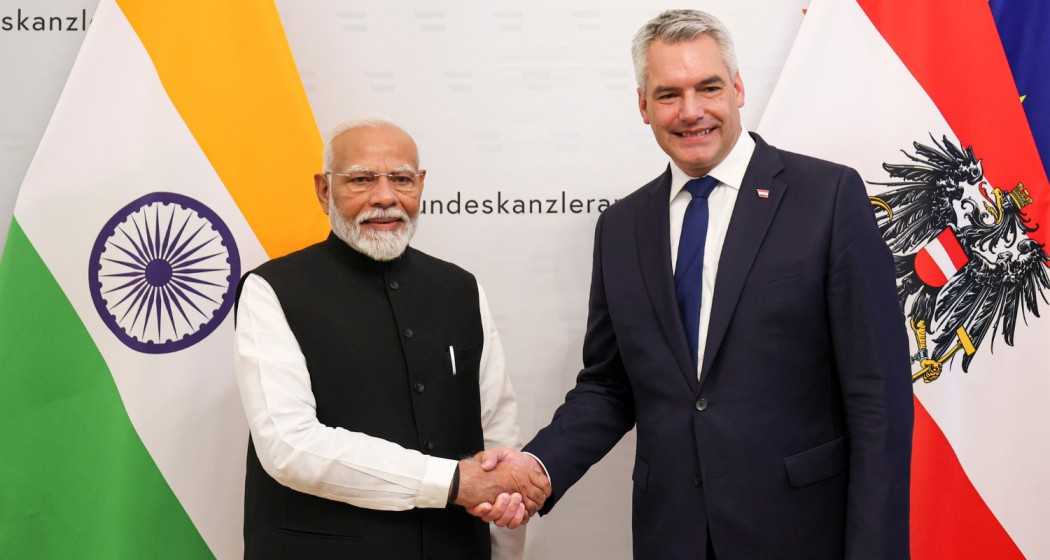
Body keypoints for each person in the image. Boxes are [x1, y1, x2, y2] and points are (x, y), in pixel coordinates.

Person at [477, 9, 913, 559]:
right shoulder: (621, 227)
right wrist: (537, 468)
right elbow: (610, 386)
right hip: (672, 536)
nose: (691, 112)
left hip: (802, 534)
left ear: (736, 88)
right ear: (642, 105)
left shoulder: (826, 198)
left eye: (708, 88)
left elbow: (878, 397)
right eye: (667, 94)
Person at [233, 119, 548, 559]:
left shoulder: (460, 288)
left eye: (400, 179)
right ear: (324, 191)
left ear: (420, 185)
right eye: (361, 179)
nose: (384, 197)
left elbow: (497, 431)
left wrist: (505, 539)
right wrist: (452, 482)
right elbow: (289, 445)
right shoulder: (272, 289)